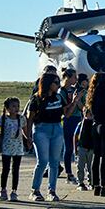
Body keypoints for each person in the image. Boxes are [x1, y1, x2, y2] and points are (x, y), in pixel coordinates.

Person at [27, 72, 79, 201]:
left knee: (54, 162)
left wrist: (74, 101)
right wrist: (28, 136)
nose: (58, 85)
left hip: (56, 129)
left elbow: (66, 114)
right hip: (41, 129)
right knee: (43, 161)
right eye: (55, 82)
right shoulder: (36, 98)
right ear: (48, 84)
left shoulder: (59, 97)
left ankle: (52, 190)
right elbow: (30, 118)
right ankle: (35, 190)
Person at [0, 98, 26, 201]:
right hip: (6, 148)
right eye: (13, 106)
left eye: (18, 106)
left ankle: (14, 191)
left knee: (16, 170)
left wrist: (28, 138)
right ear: (7, 108)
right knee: (5, 170)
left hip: (18, 148)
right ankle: (3, 190)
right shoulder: (4, 119)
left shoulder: (21, 118)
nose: (16, 108)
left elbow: (25, 130)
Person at [60, 68, 82, 183]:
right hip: (68, 120)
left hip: (78, 118)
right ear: (67, 77)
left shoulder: (75, 90)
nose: (76, 79)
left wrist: (78, 101)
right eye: (74, 77)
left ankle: (81, 171)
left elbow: (81, 106)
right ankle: (69, 173)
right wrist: (74, 102)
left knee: (78, 147)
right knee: (68, 147)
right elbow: (65, 109)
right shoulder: (62, 91)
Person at [75, 103, 94, 191]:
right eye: (88, 114)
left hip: (91, 148)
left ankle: (91, 182)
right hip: (82, 147)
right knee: (80, 166)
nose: (89, 116)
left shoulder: (94, 124)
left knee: (90, 167)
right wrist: (75, 148)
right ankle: (80, 182)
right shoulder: (80, 124)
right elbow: (75, 136)